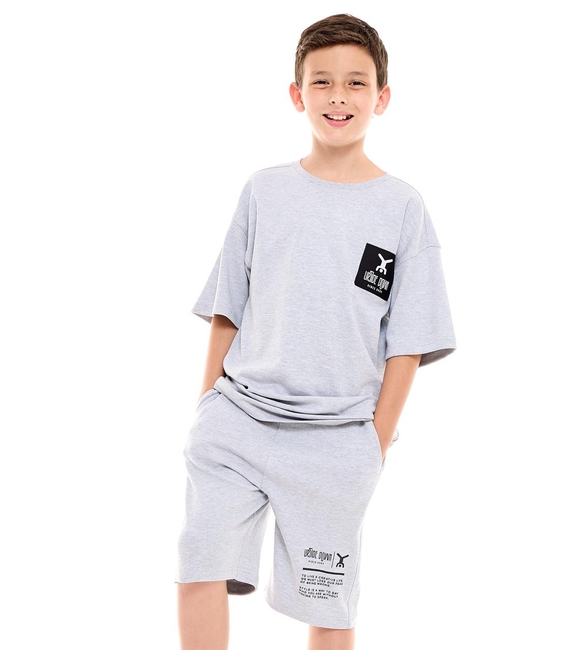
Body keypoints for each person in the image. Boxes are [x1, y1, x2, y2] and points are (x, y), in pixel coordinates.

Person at [176, 13, 456, 650]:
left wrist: (372, 445)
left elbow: (408, 341)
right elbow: (228, 306)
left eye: (356, 83)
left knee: (329, 604)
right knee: (200, 563)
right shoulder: (264, 191)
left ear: (382, 97)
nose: (338, 96)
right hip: (237, 420)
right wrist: (206, 408)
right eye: (322, 81)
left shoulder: (402, 207)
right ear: (297, 94)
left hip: (338, 438)